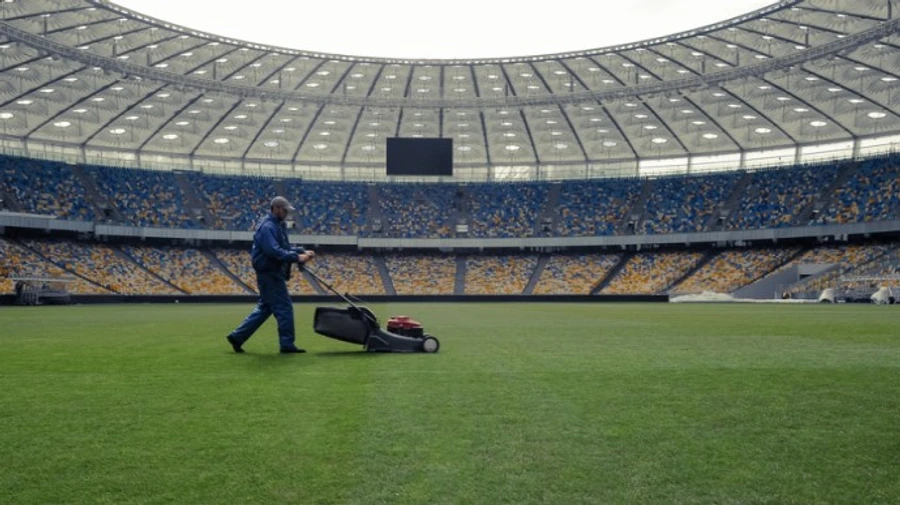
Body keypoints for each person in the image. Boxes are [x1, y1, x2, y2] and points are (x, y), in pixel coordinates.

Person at [226, 196, 315, 354]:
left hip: (270, 273)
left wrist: (301, 251)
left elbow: (284, 247)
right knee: (284, 308)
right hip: (270, 273)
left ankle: (237, 336)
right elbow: (273, 251)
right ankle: (287, 344)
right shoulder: (268, 227)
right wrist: (297, 258)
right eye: (285, 210)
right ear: (276, 208)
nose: (287, 214)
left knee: (265, 308)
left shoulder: (276, 226)